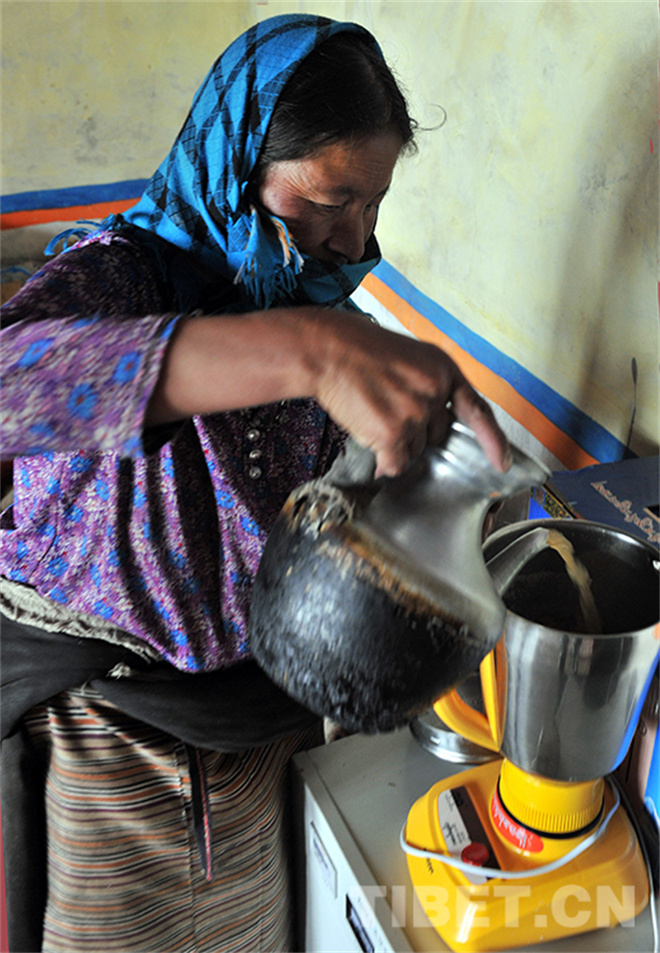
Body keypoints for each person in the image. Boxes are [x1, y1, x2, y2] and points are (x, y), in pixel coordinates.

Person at [0, 13, 510, 953]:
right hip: (120, 741)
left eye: (372, 205)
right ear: (236, 160)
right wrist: (306, 352)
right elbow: (12, 387)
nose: (352, 239)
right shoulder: (120, 276)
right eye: (327, 199)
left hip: (262, 728)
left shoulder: (308, 303)